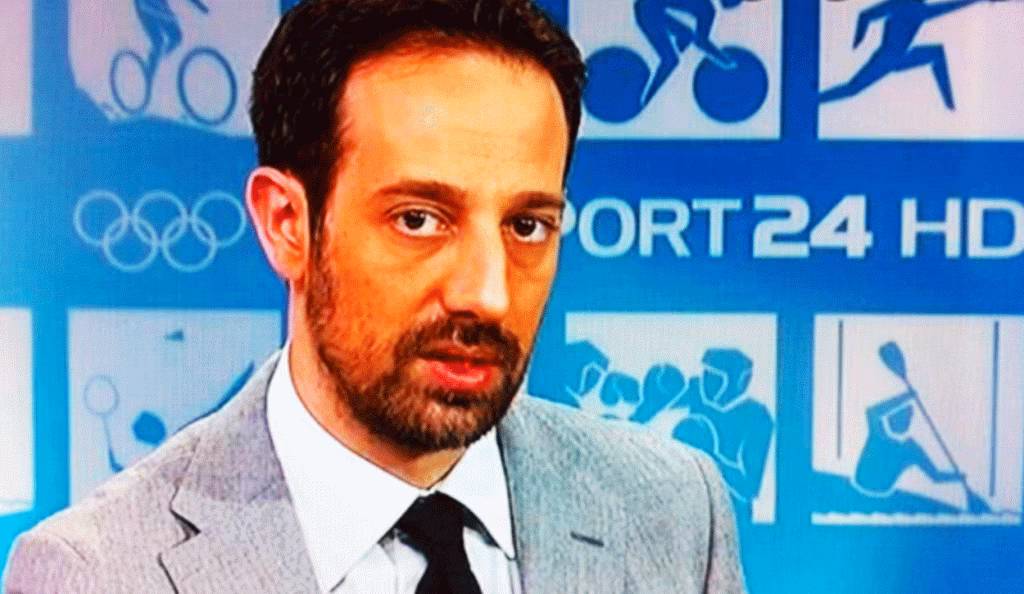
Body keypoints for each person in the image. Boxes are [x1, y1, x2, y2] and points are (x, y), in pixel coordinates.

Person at [2, 1, 745, 592]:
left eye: (527, 225)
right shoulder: (99, 572)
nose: (486, 294)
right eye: (419, 219)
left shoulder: (676, 513)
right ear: (287, 224)